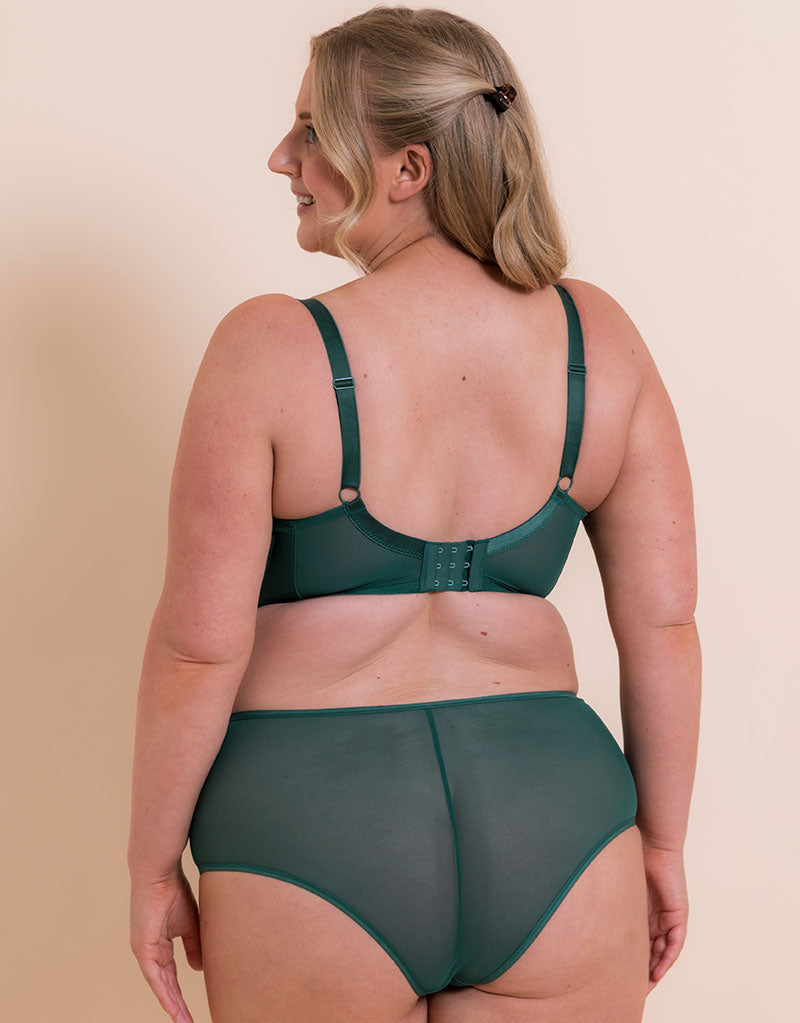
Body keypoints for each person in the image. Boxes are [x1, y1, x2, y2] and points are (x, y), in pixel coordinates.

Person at [127, 6, 701, 1023]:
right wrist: (660, 842)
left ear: (407, 169)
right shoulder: (600, 340)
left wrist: (149, 865)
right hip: (560, 829)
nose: (281, 157)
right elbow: (662, 627)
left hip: (310, 828)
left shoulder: (267, 349)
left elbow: (196, 651)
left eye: (312, 130)